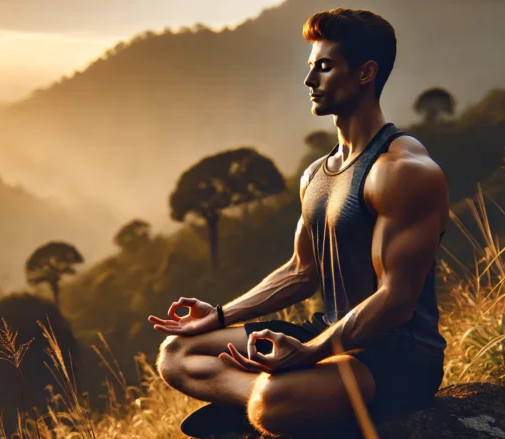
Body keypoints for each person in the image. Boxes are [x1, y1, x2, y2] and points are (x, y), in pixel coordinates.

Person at [148, 8, 449, 439]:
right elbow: (301, 271)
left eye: (324, 68)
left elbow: (396, 299)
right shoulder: (316, 174)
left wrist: (307, 354)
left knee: (275, 400)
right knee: (177, 353)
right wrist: (216, 316)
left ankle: (271, 401)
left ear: (366, 73)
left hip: (398, 356)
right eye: (311, 68)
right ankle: (274, 398)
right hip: (328, 332)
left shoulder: (403, 170)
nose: (309, 81)